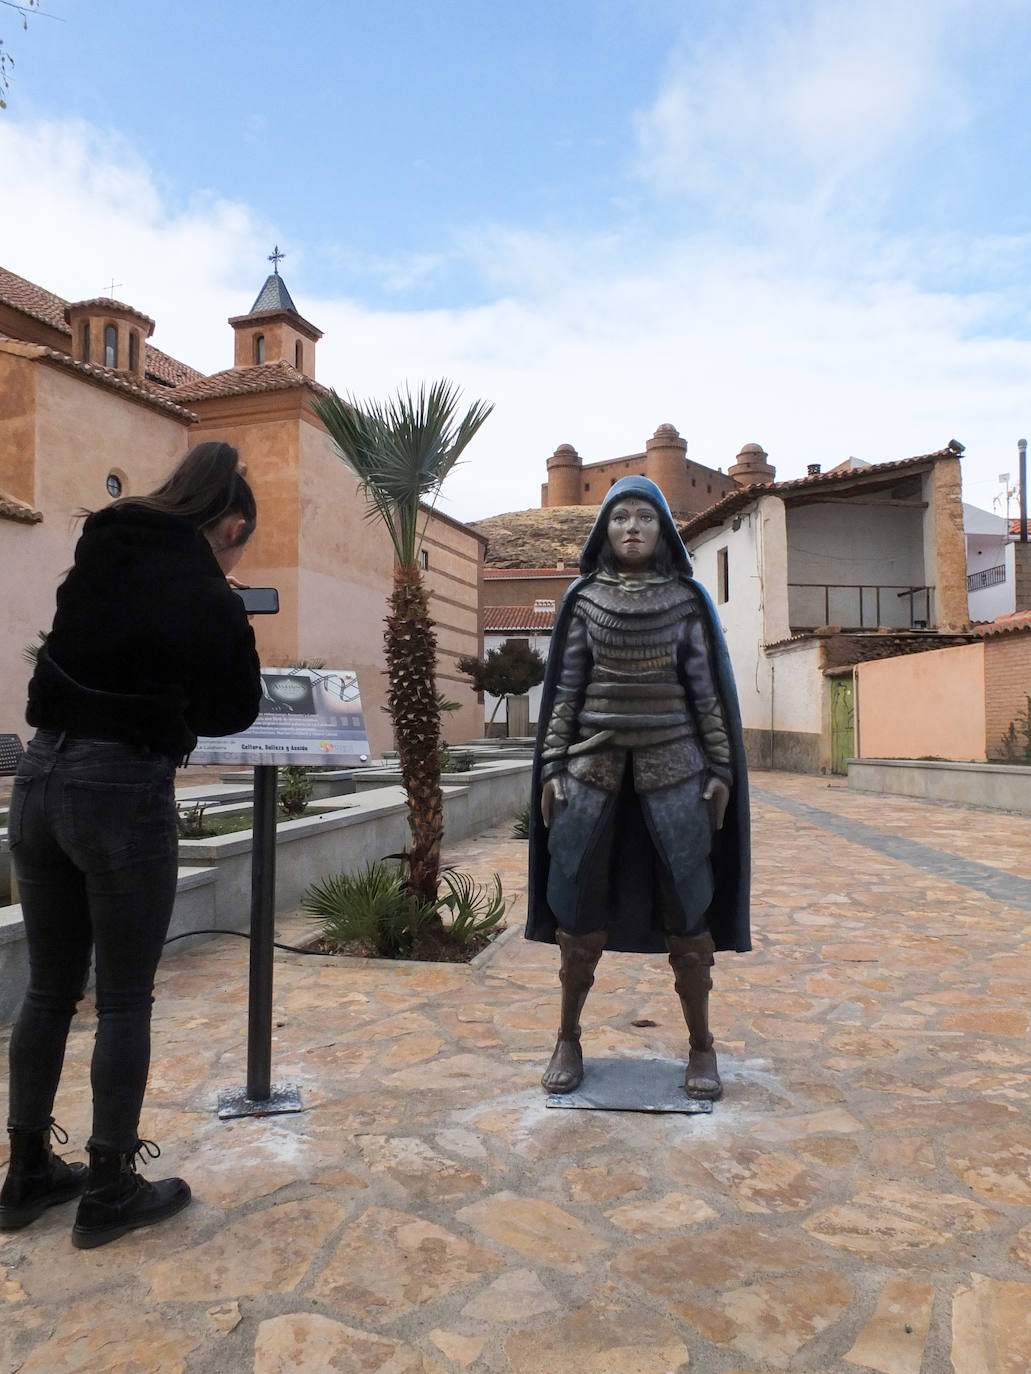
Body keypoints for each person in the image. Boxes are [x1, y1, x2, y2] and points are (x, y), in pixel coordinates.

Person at [0, 441, 262, 1247]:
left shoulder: (104, 541)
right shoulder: (209, 593)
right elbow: (235, 710)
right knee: (122, 997)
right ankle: (110, 1185)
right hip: (120, 789)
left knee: (47, 990)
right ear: (231, 524)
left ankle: (26, 1173)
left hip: (39, 774)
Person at [526, 476, 750, 1099]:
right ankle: (567, 1035)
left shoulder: (686, 601)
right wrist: (550, 766)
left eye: (644, 518)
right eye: (620, 516)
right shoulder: (585, 600)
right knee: (576, 905)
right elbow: (566, 692)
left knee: (689, 905)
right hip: (590, 769)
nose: (631, 527)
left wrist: (722, 769)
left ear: (662, 532)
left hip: (675, 770)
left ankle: (701, 1045)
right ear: (605, 528)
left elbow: (706, 693)